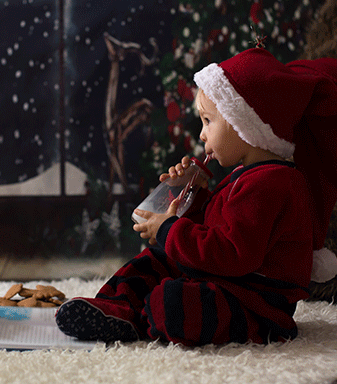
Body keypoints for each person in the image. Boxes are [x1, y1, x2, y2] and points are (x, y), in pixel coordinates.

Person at [56, 47, 337, 346]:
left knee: (175, 302)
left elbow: (230, 254)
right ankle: (117, 309)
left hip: (255, 303)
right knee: (153, 260)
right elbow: (218, 224)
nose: (202, 134)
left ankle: (138, 318)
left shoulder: (273, 183)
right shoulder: (249, 174)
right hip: (227, 281)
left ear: (243, 124)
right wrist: (190, 196)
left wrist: (168, 229)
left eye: (207, 121)